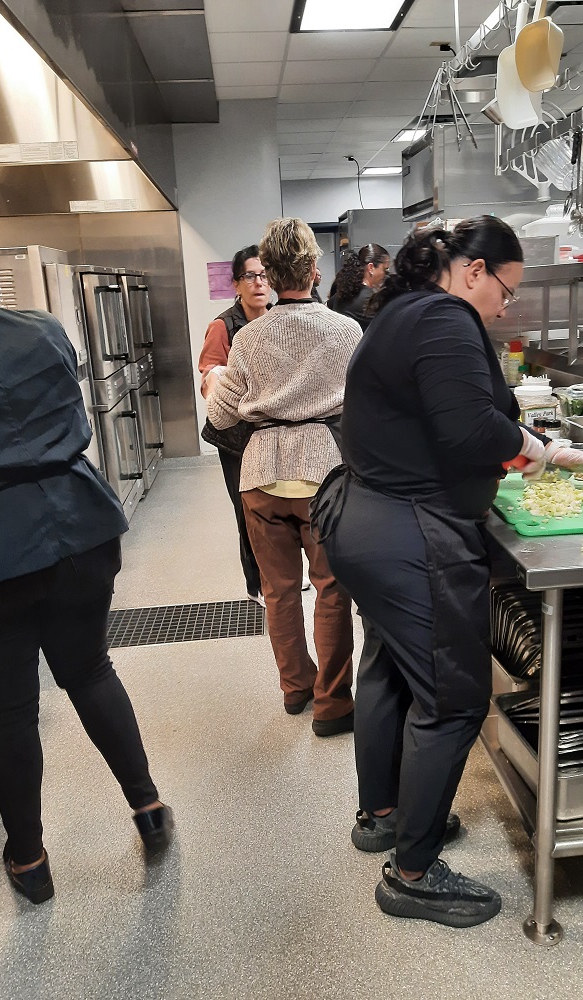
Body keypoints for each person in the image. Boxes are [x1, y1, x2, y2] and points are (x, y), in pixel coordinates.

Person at [315, 217, 583, 925]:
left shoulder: (398, 313)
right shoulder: (446, 318)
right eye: (505, 290)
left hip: (363, 515)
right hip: (407, 531)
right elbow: (471, 430)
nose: (505, 308)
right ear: (473, 270)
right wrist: (546, 452)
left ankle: (386, 815)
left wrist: (533, 447)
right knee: (453, 697)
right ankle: (412, 873)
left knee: (391, 666)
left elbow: (449, 421)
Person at [0, 196, 172, 905]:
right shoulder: (41, 331)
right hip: (73, 533)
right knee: (91, 670)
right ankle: (148, 806)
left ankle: (30, 862)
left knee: (6, 713)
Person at [205, 218, 360, 735]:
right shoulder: (346, 331)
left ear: (268, 274)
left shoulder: (247, 338)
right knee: (332, 590)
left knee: (279, 591)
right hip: (325, 478)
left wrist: (220, 380)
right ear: (315, 270)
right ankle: (332, 704)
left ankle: (295, 688)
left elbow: (221, 417)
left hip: (262, 477)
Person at [199, 246, 271, 606]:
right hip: (235, 437)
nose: (259, 283)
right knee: (246, 508)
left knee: (274, 503)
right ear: (236, 284)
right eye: (250, 276)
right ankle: (254, 582)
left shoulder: (278, 318)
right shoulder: (223, 325)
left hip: (270, 433)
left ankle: (277, 572)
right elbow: (209, 379)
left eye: (264, 275)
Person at [327, 243, 389, 330]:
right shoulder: (372, 300)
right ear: (371, 268)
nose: (386, 275)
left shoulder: (340, 295)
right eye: (384, 270)